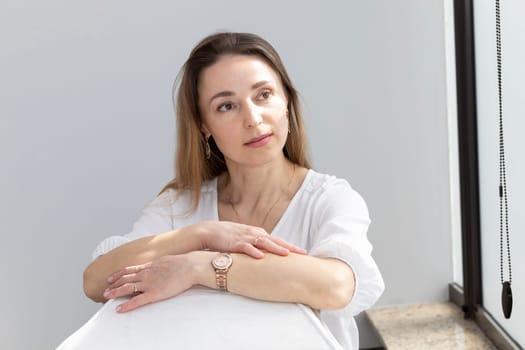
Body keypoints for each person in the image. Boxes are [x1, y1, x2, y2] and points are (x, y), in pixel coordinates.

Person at [82, 32, 384, 350]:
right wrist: (200, 235)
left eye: (264, 95)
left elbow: (336, 285)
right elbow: (96, 281)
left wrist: (199, 267)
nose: (253, 119)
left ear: (287, 103)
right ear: (204, 127)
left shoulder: (329, 199)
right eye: (227, 106)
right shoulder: (182, 205)